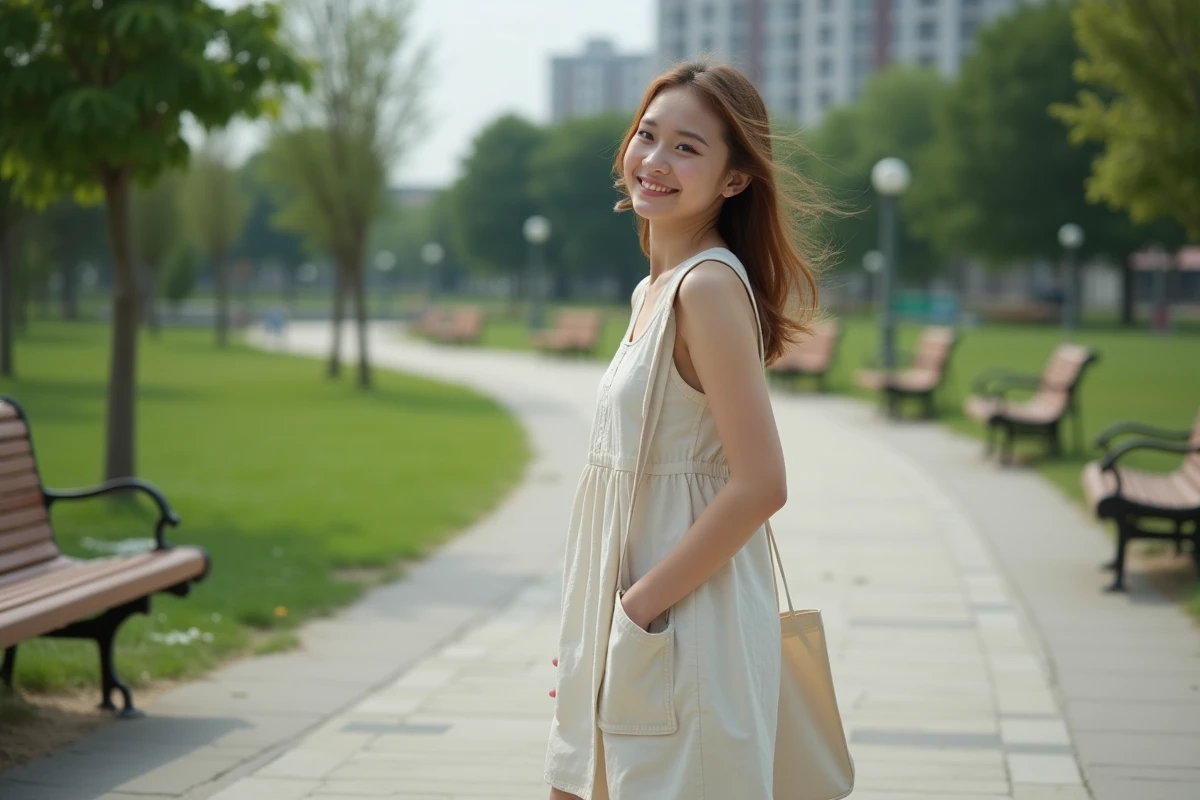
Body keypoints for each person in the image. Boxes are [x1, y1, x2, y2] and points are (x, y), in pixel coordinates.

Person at [543, 60, 823, 800]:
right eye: (647, 135)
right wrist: (597, 627)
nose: (654, 161)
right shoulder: (653, 289)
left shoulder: (706, 286)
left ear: (734, 179)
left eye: (687, 148)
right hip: (636, 619)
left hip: (685, 624)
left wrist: (636, 612)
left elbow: (762, 483)